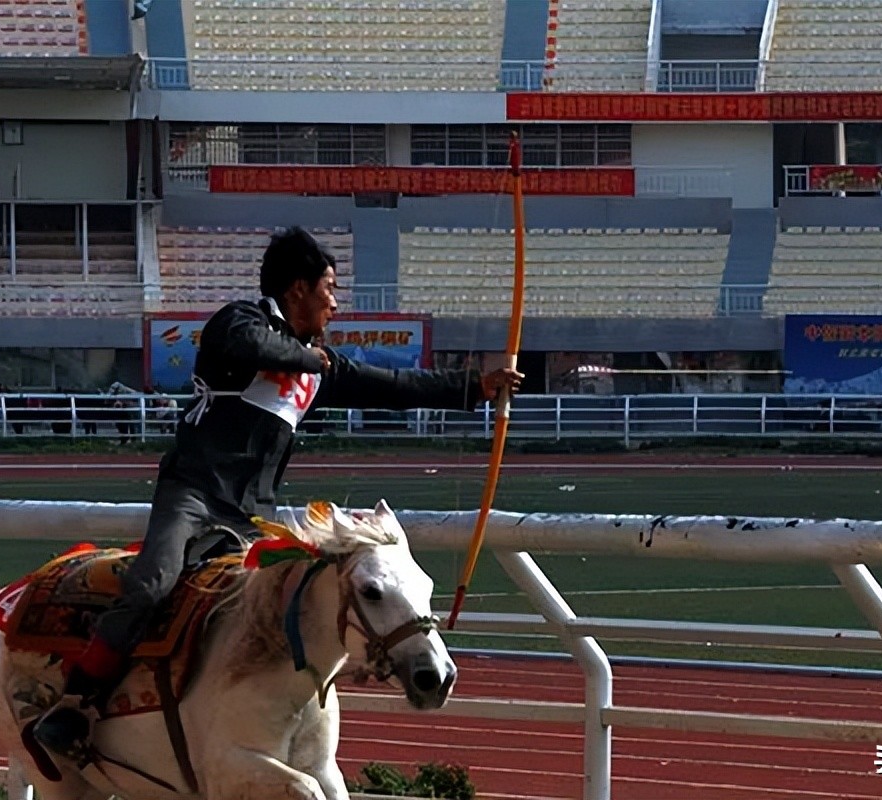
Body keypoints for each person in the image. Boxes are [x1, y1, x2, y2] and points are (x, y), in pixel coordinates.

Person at [34, 226, 522, 760]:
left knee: (267, 615)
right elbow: (251, 345)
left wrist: (475, 387)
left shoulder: (313, 361)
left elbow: (393, 387)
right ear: (296, 291)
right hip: (193, 495)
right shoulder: (238, 323)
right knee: (153, 584)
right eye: (329, 288)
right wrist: (313, 359)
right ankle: (76, 704)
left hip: (250, 517)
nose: (334, 302)